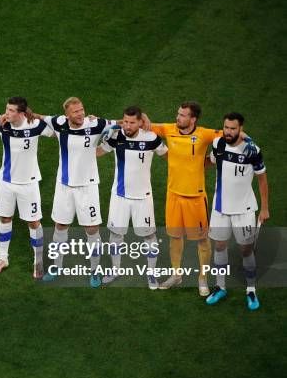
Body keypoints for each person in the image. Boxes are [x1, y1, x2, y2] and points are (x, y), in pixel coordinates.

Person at [144, 102, 229, 296]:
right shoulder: (169, 129)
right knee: (174, 237)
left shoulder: (204, 134)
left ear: (193, 119)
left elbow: (229, 135)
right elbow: (142, 124)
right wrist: (144, 118)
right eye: (178, 114)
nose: (178, 117)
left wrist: (246, 140)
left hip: (196, 198)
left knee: (201, 240)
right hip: (173, 194)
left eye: (183, 115)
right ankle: (176, 274)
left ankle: (202, 279)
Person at [33, 97, 118, 287]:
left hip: (88, 187)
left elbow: (120, 123)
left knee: (92, 229)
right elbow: (40, 117)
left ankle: (95, 270)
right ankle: (56, 266)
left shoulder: (96, 124)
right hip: (64, 186)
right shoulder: (59, 123)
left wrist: (144, 121)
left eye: (82, 110)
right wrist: (27, 112)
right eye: (75, 112)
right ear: (67, 115)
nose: (80, 114)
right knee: (60, 226)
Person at [97, 106, 167, 289]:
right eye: (125, 122)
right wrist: (94, 139)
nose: (127, 126)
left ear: (140, 122)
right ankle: (115, 269)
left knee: (149, 235)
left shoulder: (151, 138)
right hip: (119, 196)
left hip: (143, 197)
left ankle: (151, 274)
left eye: (132, 122)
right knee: (115, 234)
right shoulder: (116, 136)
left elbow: (168, 156)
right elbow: (98, 152)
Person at [205, 112, 269, 310]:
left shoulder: (252, 151)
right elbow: (210, 162)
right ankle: (220, 286)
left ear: (240, 129)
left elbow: (262, 179)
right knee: (219, 246)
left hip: (244, 210)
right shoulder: (218, 144)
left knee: (245, 250)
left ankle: (251, 290)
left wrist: (265, 208)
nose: (228, 131)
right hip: (220, 208)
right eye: (226, 127)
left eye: (233, 128)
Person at [0, 97, 53, 278]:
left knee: (33, 222)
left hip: (29, 184)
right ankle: (3, 258)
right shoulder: (2, 124)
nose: (6, 113)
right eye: (6, 109)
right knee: (5, 218)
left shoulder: (35, 125)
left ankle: (38, 262)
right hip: (6, 182)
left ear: (21, 113)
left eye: (11, 110)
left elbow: (58, 128)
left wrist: (41, 116)